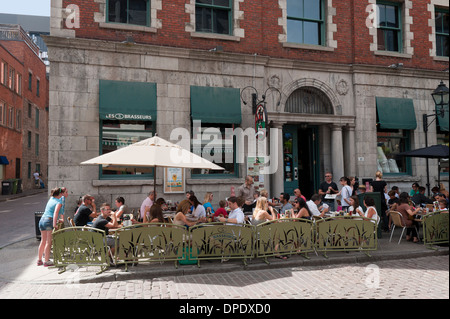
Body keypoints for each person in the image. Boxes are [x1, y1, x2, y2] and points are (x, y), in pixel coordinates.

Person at [37, 188, 64, 267]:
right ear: (59, 194)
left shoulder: (51, 199)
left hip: (42, 220)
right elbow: (55, 213)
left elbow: (50, 211)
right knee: (49, 242)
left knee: (43, 241)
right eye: (62, 193)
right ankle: (46, 261)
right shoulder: (59, 202)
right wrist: (54, 224)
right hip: (49, 221)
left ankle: (39, 260)